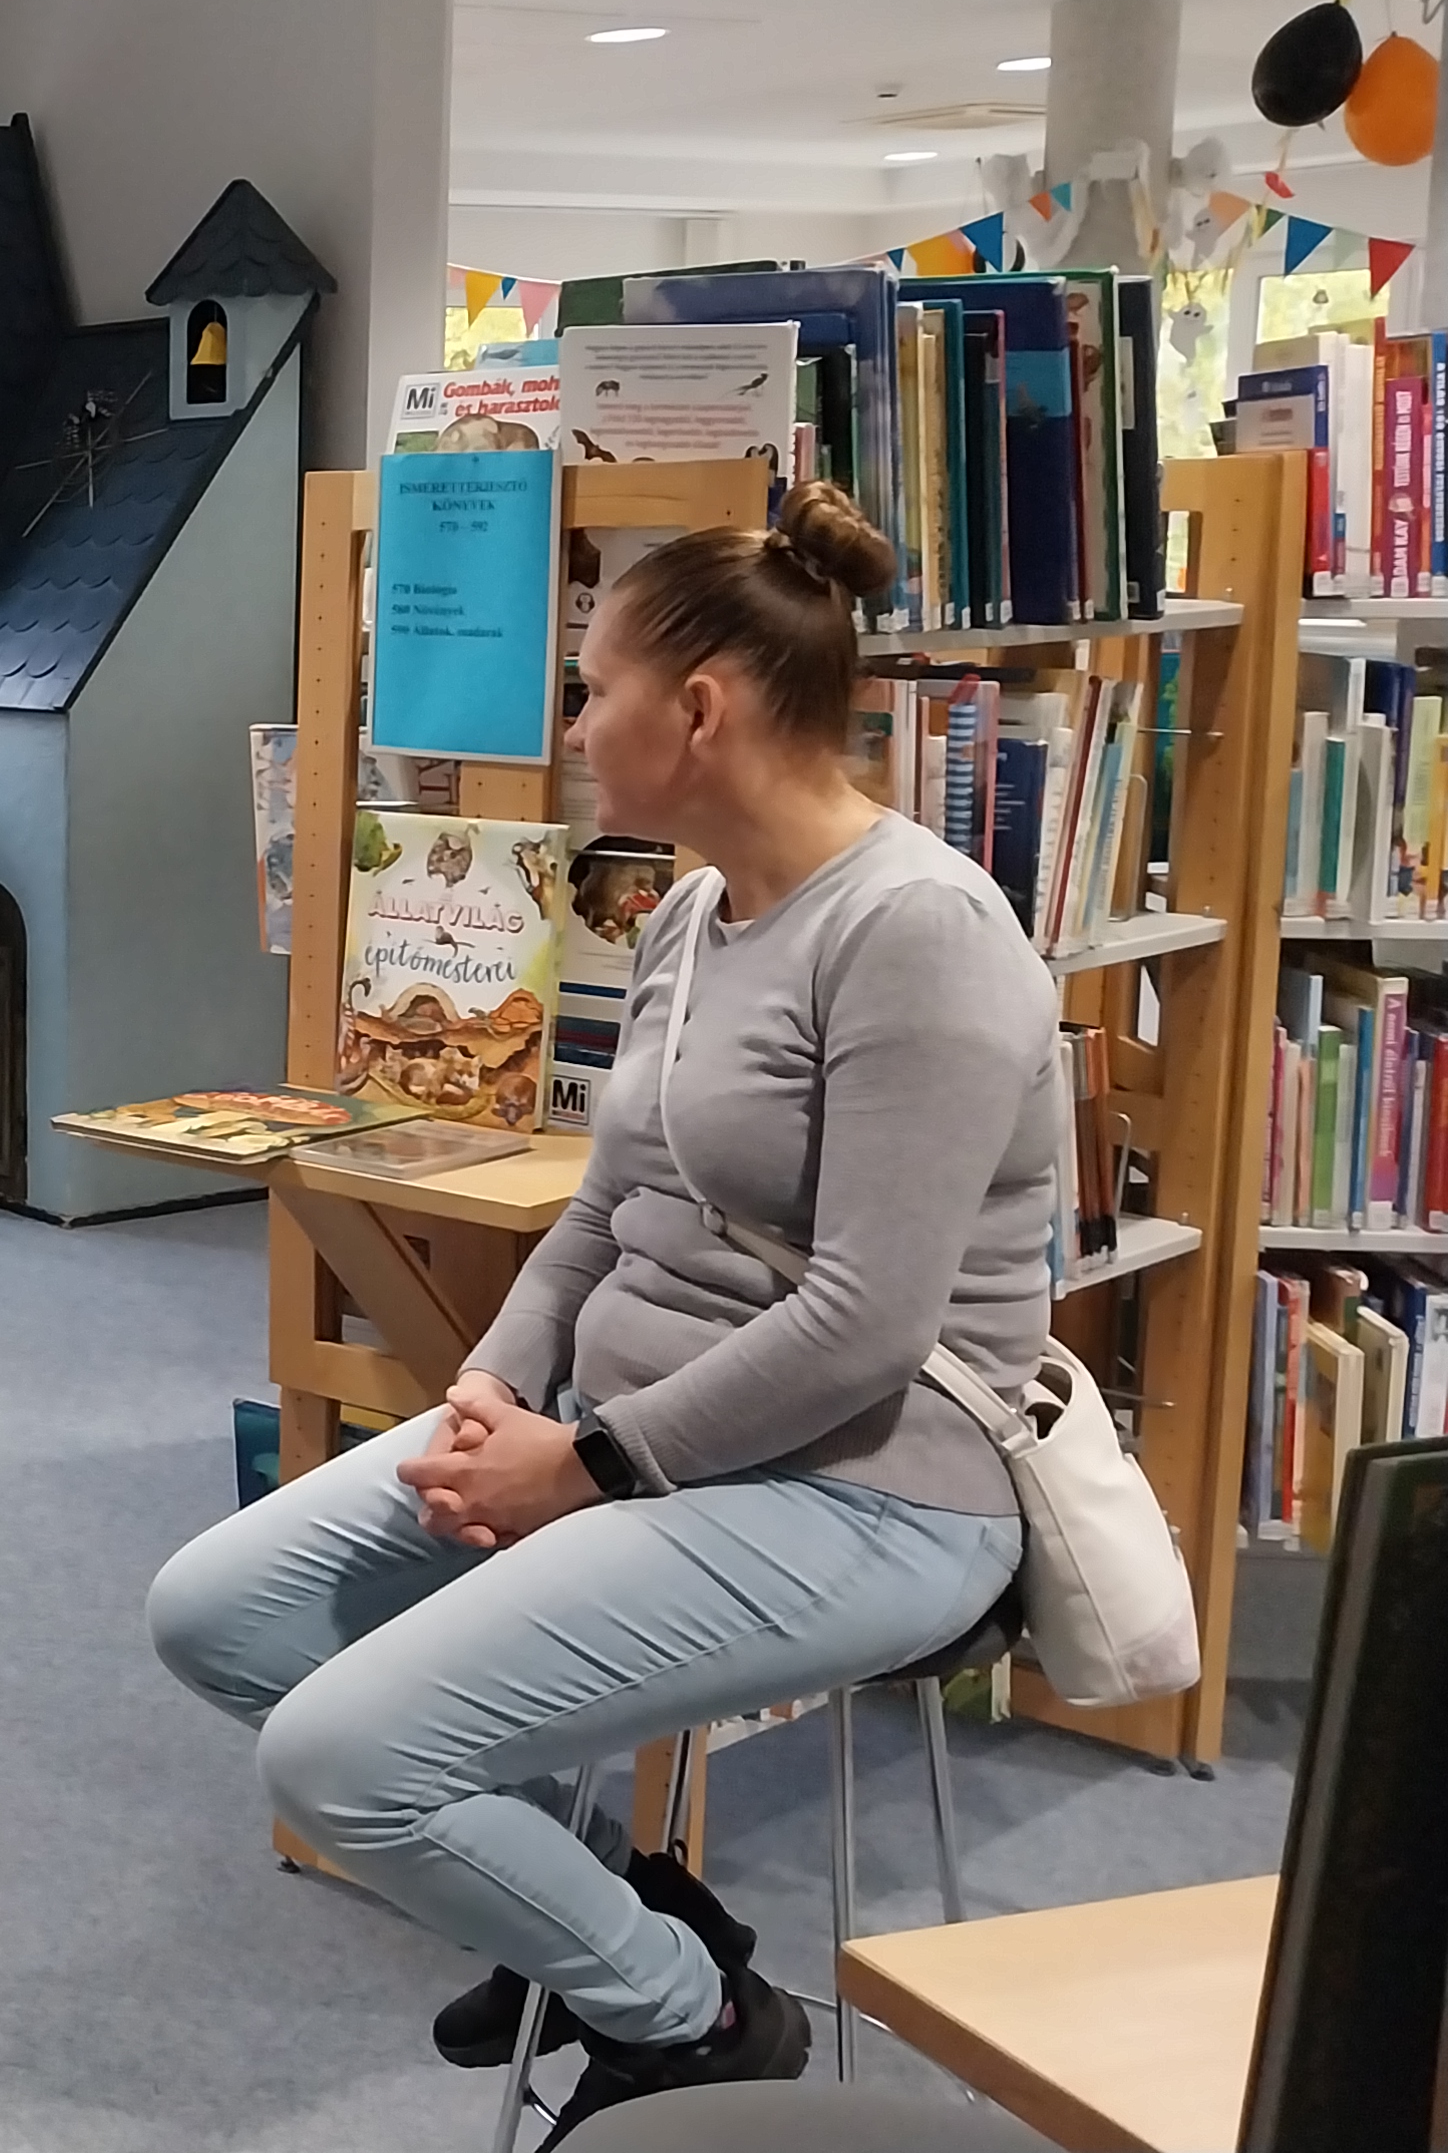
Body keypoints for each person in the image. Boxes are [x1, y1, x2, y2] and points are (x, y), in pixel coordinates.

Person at [145, 481, 1045, 2147]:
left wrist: (582, 1467)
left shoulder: (921, 932)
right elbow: (604, 1206)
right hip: (622, 1444)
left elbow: (866, 1321)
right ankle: (626, 1920)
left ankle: (691, 2020)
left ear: (696, 712)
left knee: (339, 1762)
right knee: (217, 1613)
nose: (570, 726)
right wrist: (490, 1394)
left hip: (875, 1488)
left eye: (592, 688)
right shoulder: (694, 908)